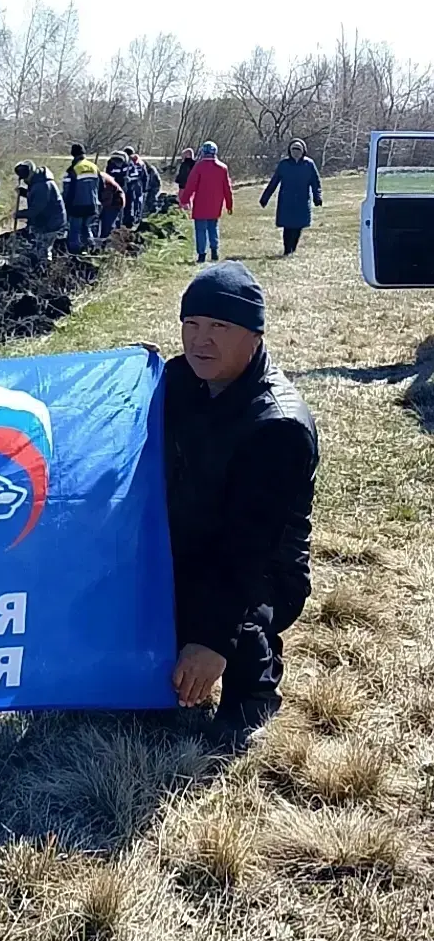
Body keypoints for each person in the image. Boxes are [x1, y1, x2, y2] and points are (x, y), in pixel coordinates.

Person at [164, 262, 318, 747]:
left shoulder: (277, 427)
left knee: (232, 620)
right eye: (191, 325)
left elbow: (247, 550)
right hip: (194, 540)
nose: (200, 341)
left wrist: (211, 641)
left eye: (219, 327)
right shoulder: (183, 380)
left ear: (254, 336)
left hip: (263, 571)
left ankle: (256, 683)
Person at [260, 139, 323, 256]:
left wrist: (317, 197)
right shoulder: (284, 164)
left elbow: (315, 182)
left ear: (303, 150)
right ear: (289, 150)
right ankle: (287, 250)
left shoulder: (309, 164)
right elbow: (274, 181)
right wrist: (265, 198)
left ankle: (292, 249)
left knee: (298, 226)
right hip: (286, 200)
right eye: (293, 149)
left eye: (298, 149)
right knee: (287, 226)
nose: (296, 151)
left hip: (302, 200)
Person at [180, 141, 234, 262]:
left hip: (200, 203)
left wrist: (184, 199)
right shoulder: (222, 168)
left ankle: (202, 254)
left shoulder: (198, 167)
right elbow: (227, 188)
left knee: (200, 229)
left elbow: (190, 185)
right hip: (215, 204)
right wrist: (229, 204)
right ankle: (214, 250)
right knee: (213, 226)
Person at [13, 160, 66, 263]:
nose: (24, 180)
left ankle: (44, 269)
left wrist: (19, 214)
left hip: (52, 223)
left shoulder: (42, 185)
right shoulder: (38, 181)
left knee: (43, 249)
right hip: (46, 220)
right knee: (37, 246)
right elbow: (36, 197)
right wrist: (24, 193)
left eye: (25, 177)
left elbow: (36, 209)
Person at [62, 144, 102, 252]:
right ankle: (91, 250)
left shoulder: (72, 169)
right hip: (93, 205)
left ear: (72, 154)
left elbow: (67, 191)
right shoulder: (94, 167)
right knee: (87, 228)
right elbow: (102, 187)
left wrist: (66, 206)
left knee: (74, 231)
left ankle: (74, 255)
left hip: (77, 206)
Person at [100, 156, 128, 241]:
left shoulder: (104, 181)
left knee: (108, 224)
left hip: (116, 201)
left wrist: (101, 207)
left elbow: (107, 197)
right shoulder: (101, 176)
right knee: (109, 221)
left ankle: (108, 242)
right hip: (113, 199)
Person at [122, 147, 148, 227]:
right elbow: (145, 176)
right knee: (137, 202)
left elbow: (143, 175)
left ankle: (131, 219)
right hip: (138, 184)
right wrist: (145, 187)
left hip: (134, 184)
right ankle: (136, 218)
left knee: (132, 202)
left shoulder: (130, 162)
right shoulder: (140, 162)